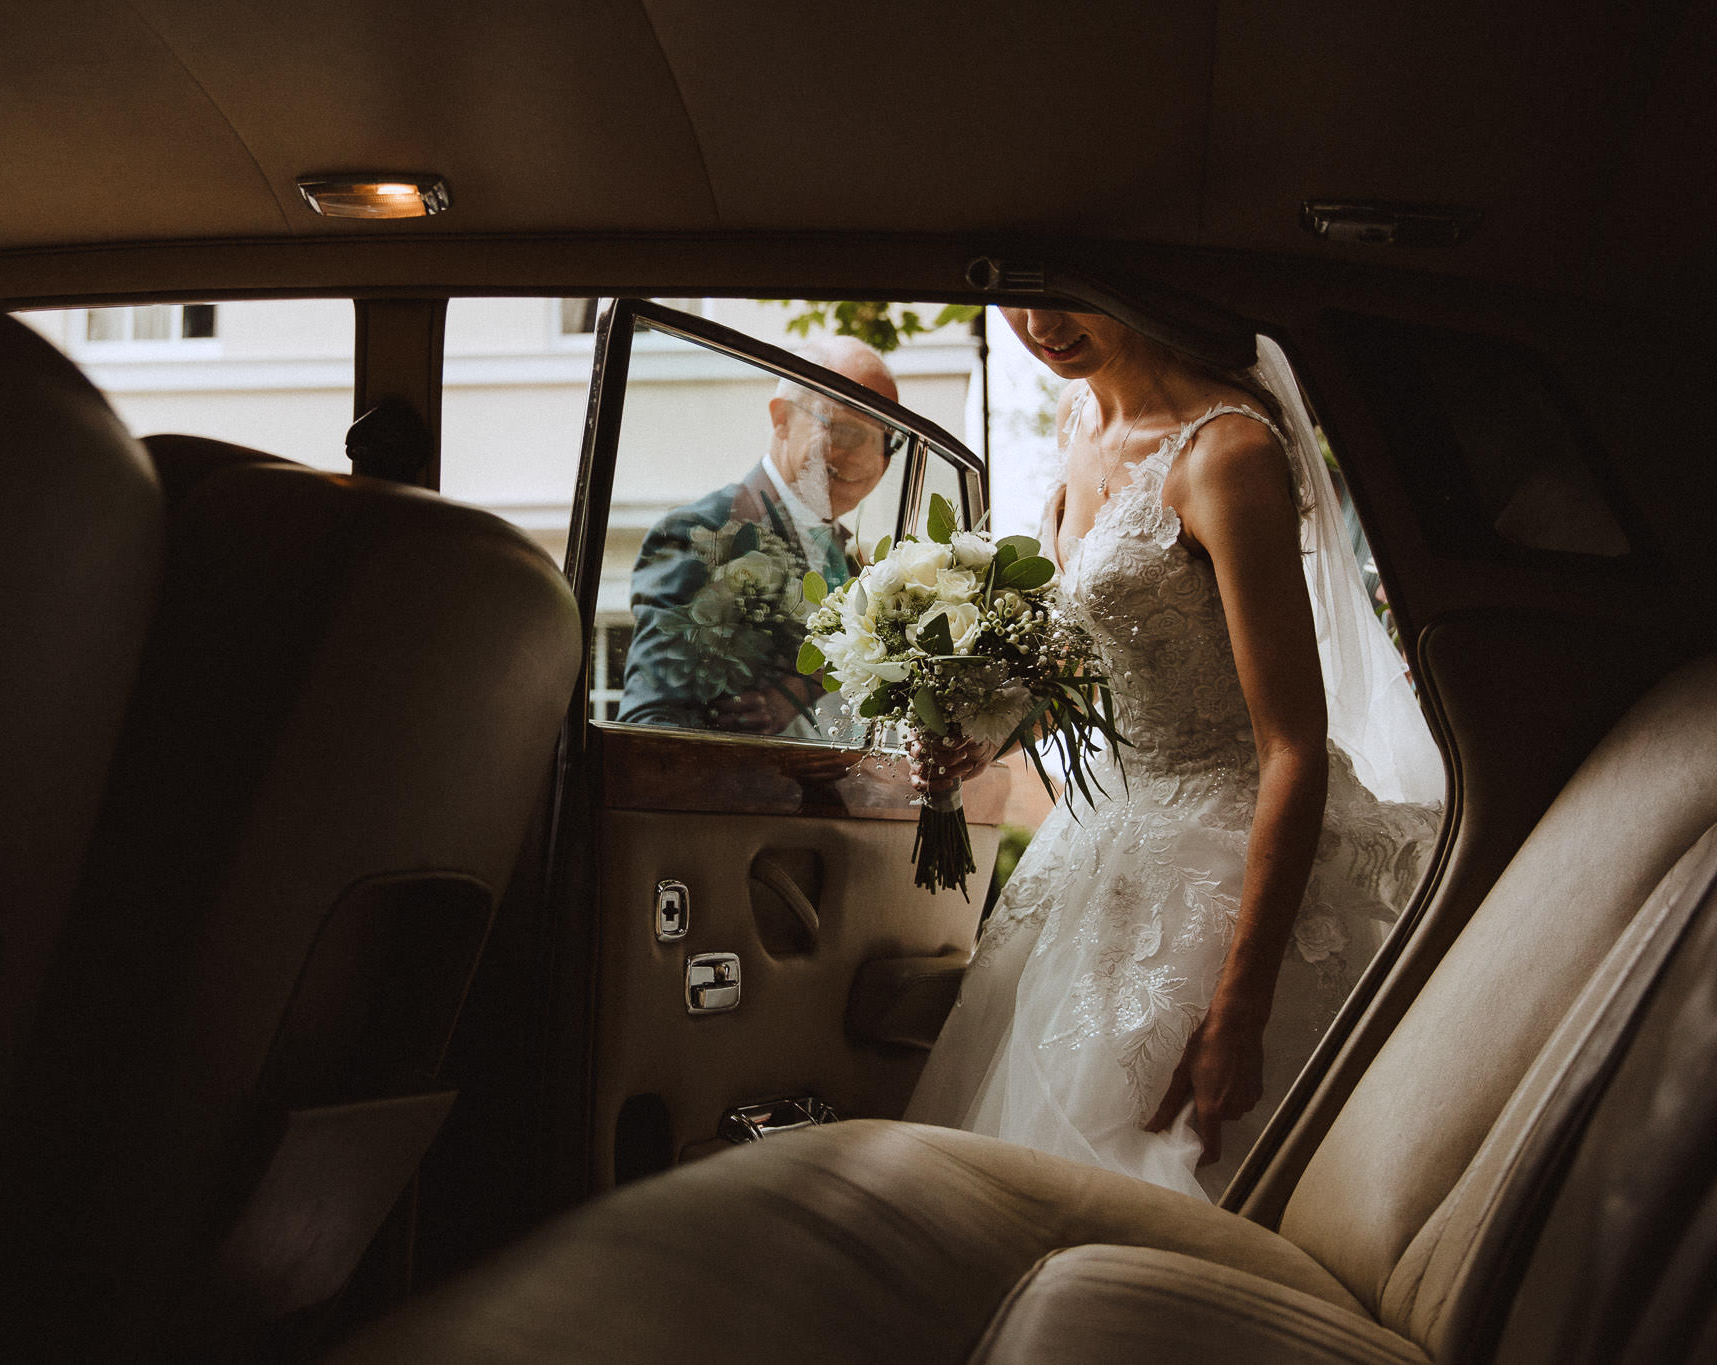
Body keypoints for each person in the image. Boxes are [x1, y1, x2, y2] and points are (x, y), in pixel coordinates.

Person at [902, 310, 1444, 1201]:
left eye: (1068, 290)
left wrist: (1241, 1005)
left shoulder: (1225, 451)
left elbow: (1293, 745)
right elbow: (1094, 660)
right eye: (1018, 297)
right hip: (1101, 843)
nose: (1040, 325)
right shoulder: (1081, 426)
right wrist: (980, 738)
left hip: (1224, 848)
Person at [617, 337, 899, 735]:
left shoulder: (858, 561)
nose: (869, 460)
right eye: (846, 431)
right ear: (782, 418)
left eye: (886, 441)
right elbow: (653, 726)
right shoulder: (703, 536)